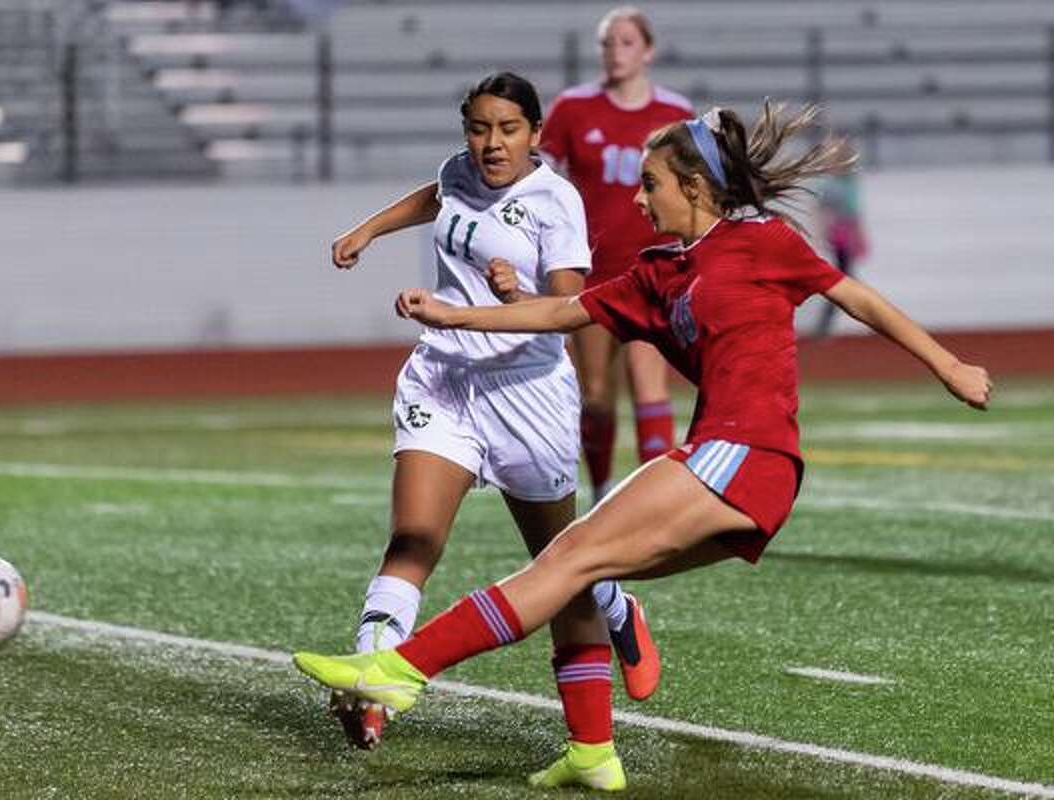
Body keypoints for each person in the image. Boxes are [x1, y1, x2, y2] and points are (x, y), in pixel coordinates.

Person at [294, 101, 992, 791]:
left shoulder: (764, 243)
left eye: (650, 183)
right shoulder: (659, 274)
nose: (638, 198)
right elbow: (563, 311)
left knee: (570, 556)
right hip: (733, 470)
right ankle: (593, 752)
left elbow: (857, 298)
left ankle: (399, 670)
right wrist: (455, 313)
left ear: (693, 188)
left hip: (746, 455)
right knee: (577, 570)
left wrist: (948, 364)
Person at [323, 72, 660, 755]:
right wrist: (369, 229)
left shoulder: (555, 199)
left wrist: (519, 288)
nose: (491, 143)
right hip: (443, 379)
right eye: (478, 129)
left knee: (559, 562)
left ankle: (618, 611)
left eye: (507, 130)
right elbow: (437, 193)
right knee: (413, 537)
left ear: (536, 134)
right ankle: (372, 691)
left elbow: (568, 306)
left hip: (526, 394)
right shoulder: (459, 170)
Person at [540, 7, 694, 506]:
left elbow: (696, 190)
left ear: (648, 51)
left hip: (655, 270)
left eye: (626, 42)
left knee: (651, 389)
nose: (615, 52)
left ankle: (650, 502)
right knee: (597, 396)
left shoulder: (674, 113)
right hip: (592, 274)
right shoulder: (573, 108)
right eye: (608, 43)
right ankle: (604, 491)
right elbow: (540, 179)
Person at [812, 147, 869, 338]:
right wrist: (823, 233)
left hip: (848, 232)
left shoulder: (849, 183)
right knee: (843, 280)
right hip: (840, 234)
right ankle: (825, 324)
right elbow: (822, 211)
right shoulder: (829, 184)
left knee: (846, 278)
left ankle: (827, 324)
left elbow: (855, 213)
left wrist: (859, 236)